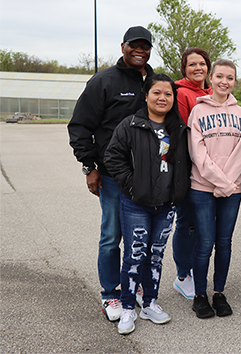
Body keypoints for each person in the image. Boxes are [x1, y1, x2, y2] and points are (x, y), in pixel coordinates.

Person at [68, 26, 154, 322]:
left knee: (141, 238)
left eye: (145, 46)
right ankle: (110, 294)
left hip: (148, 178)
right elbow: (79, 126)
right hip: (113, 177)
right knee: (111, 236)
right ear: (123, 46)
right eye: (135, 45)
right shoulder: (103, 81)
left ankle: (138, 288)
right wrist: (89, 166)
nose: (140, 50)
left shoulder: (153, 82)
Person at [104, 73, 191, 335]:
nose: (162, 98)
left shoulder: (180, 129)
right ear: (146, 95)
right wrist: (132, 185)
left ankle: (150, 303)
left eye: (168, 94)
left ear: (173, 98)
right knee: (134, 256)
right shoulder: (130, 125)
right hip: (136, 205)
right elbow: (112, 157)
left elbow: (186, 164)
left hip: (166, 206)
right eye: (157, 92)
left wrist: (179, 191)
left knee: (155, 256)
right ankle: (128, 307)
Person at [187, 60, 241, 319]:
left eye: (230, 77)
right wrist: (222, 182)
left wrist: (228, 184)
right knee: (204, 242)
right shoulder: (198, 112)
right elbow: (197, 152)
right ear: (210, 79)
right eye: (220, 76)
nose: (225, 81)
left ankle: (219, 293)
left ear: (235, 81)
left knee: (224, 243)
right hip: (202, 188)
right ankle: (199, 295)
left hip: (233, 189)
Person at [172, 47, 214, 300]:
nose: (198, 68)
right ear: (184, 69)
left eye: (202, 64)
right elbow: (189, 133)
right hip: (189, 169)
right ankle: (182, 275)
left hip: (212, 170)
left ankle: (197, 271)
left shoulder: (213, 92)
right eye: (192, 65)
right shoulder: (181, 93)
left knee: (204, 226)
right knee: (187, 224)